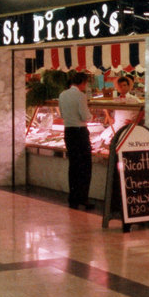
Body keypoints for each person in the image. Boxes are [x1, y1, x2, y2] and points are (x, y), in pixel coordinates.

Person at [58, 71, 94, 210]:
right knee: (85, 167)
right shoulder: (80, 96)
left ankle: (73, 198)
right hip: (80, 132)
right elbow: (85, 116)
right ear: (83, 83)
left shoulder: (62, 94)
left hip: (68, 132)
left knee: (73, 166)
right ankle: (83, 198)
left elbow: (61, 114)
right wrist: (91, 117)